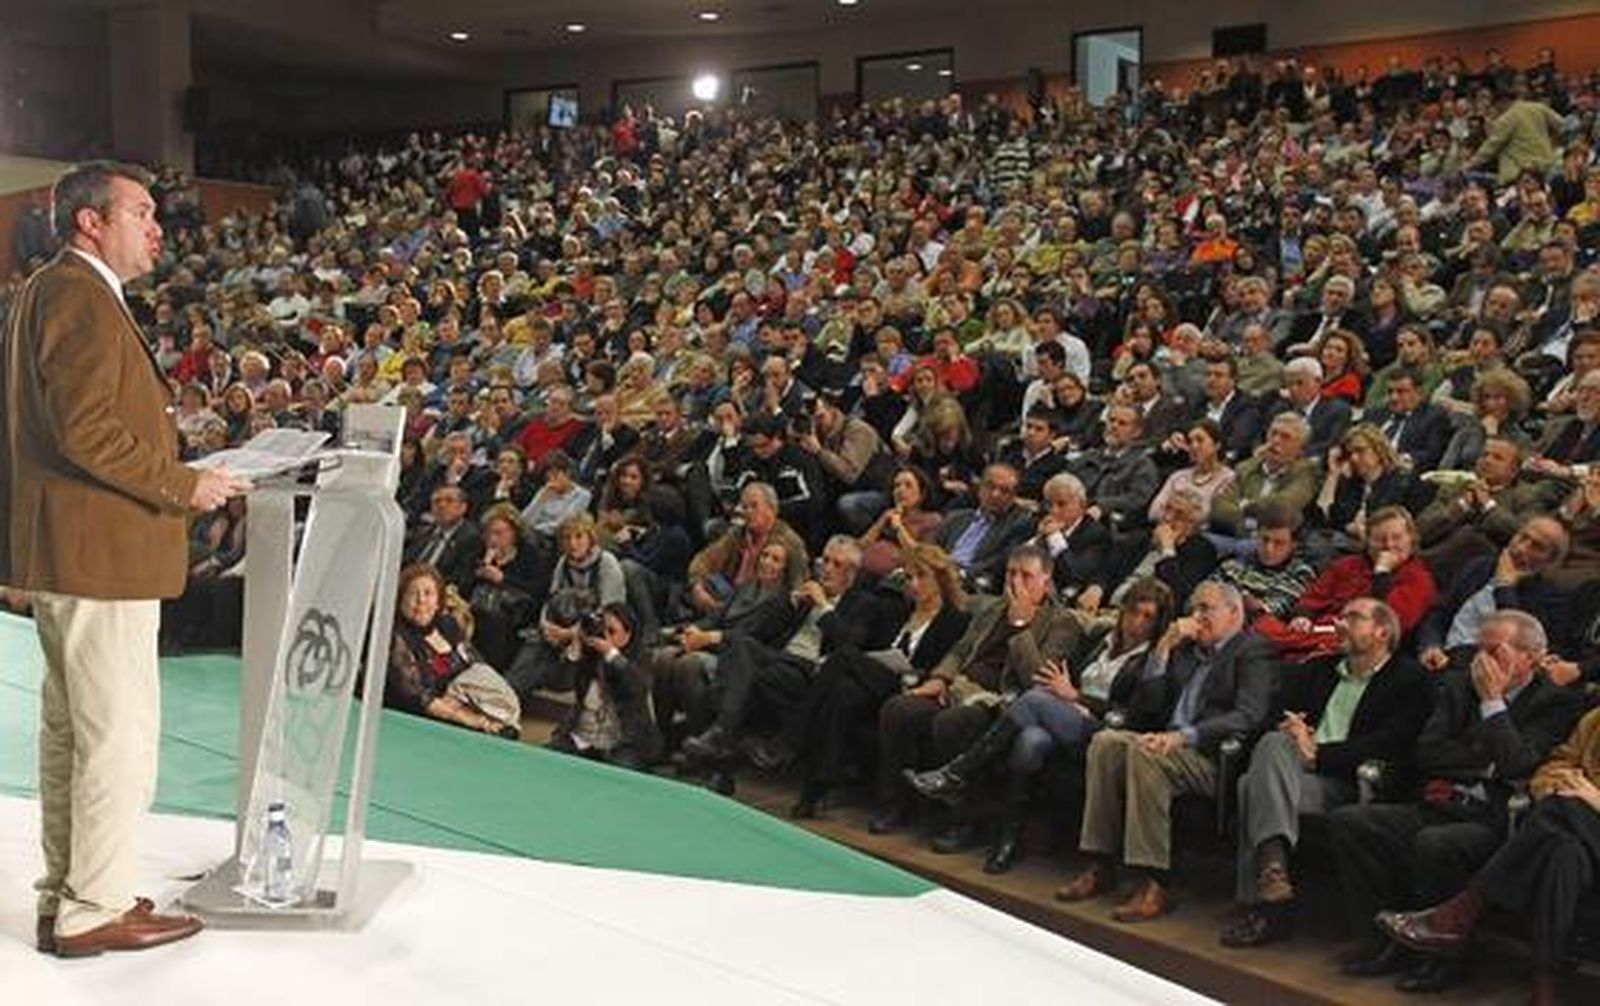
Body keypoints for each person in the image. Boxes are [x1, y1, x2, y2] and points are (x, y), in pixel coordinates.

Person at [0, 161, 248, 956]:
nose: (157, 227)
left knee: (77, 735)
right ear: (89, 222)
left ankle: (71, 894)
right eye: (140, 213)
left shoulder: (56, 289)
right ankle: (92, 908)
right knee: (116, 738)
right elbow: (85, 431)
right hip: (99, 549)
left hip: (79, 549)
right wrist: (185, 483)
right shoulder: (76, 292)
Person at [1328, 611, 1591, 994]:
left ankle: (1445, 958)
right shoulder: (1457, 686)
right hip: (1438, 800)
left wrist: (1492, 704)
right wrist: (1488, 760)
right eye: (1475, 649)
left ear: (1531, 658)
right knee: (1352, 822)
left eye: (1492, 650)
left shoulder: (1556, 703)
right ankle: (1387, 940)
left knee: (1437, 843)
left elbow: (1520, 765)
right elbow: (1428, 752)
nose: (1479, 661)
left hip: (1499, 819)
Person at [907, 578, 1176, 874]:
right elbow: (1061, 669)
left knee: (1035, 699)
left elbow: (1136, 715)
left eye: (1148, 617)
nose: (1137, 622)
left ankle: (957, 772)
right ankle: (1007, 841)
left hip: (1103, 731)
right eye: (1133, 611)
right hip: (1064, 715)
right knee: (1030, 740)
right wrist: (1066, 695)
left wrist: (1076, 696)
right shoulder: (1102, 640)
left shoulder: (1151, 660)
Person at [1056, 581, 1274, 922]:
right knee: (1106, 743)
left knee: (1146, 755)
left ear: (1234, 613)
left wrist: (1185, 737)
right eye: (1194, 608)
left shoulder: (1251, 651)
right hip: (1164, 740)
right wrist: (1163, 650)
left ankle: (1156, 883)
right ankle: (1100, 863)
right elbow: (1149, 708)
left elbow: (1249, 714)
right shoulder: (1185, 650)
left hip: (1209, 755)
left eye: (1207, 609)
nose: (1197, 617)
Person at [1220, 598, 1431, 948]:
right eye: (1341, 616)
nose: (1339, 623)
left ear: (1382, 631)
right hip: (1293, 773)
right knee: (1273, 743)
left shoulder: (1409, 679)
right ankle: (1274, 878)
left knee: (1249, 786)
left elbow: (1393, 743)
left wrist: (1318, 755)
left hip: (1350, 782)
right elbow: (1275, 715)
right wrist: (1293, 729)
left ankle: (1266, 907)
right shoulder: (1319, 668)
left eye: (1353, 617)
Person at [1374, 705, 1600, 1006]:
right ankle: (1544, 989)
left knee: (1558, 813)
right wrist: (1561, 784)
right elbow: (1556, 763)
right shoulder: (1595, 719)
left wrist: (1594, 799)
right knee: (1562, 852)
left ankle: (1464, 910)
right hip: (1579, 836)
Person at [871, 544, 1081, 837]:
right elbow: (962, 649)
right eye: (1010, 573)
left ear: (1046, 581)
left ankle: (964, 824)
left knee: (953, 722)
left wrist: (1021, 625)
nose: (1015, 582)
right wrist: (941, 678)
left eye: (1026, 576)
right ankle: (895, 805)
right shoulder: (994, 608)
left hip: (1003, 702)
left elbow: (1037, 680)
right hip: (960, 685)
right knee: (899, 709)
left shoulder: (1063, 622)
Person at [788, 544, 971, 818]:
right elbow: (873, 651)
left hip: (910, 687)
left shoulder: (955, 621)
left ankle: (790, 741)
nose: (915, 585)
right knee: (842, 694)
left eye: (922, 577)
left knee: (845, 656)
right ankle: (816, 787)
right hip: (875, 683)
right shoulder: (896, 611)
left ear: (940, 580)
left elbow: (941, 668)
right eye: (909, 578)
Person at [387, 564, 521, 738]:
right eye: (413, 593)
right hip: (419, 721)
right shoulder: (395, 635)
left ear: (438, 601)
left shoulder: (447, 625)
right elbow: (418, 698)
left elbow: (476, 665)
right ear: (400, 600)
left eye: (428, 593)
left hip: (459, 709)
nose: (421, 600)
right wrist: (474, 720)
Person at [547, 602, 661, 769]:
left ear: (627, 635)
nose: (604, 636)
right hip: (583, 736)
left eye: (612, 631)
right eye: (602, 629)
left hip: (623, 742)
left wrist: (612, 655)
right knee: (549, 758)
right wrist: (575, 649)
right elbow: (558, 683)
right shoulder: (589, 655)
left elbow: (638, 688)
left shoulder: (641, 659)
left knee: (620, 774)